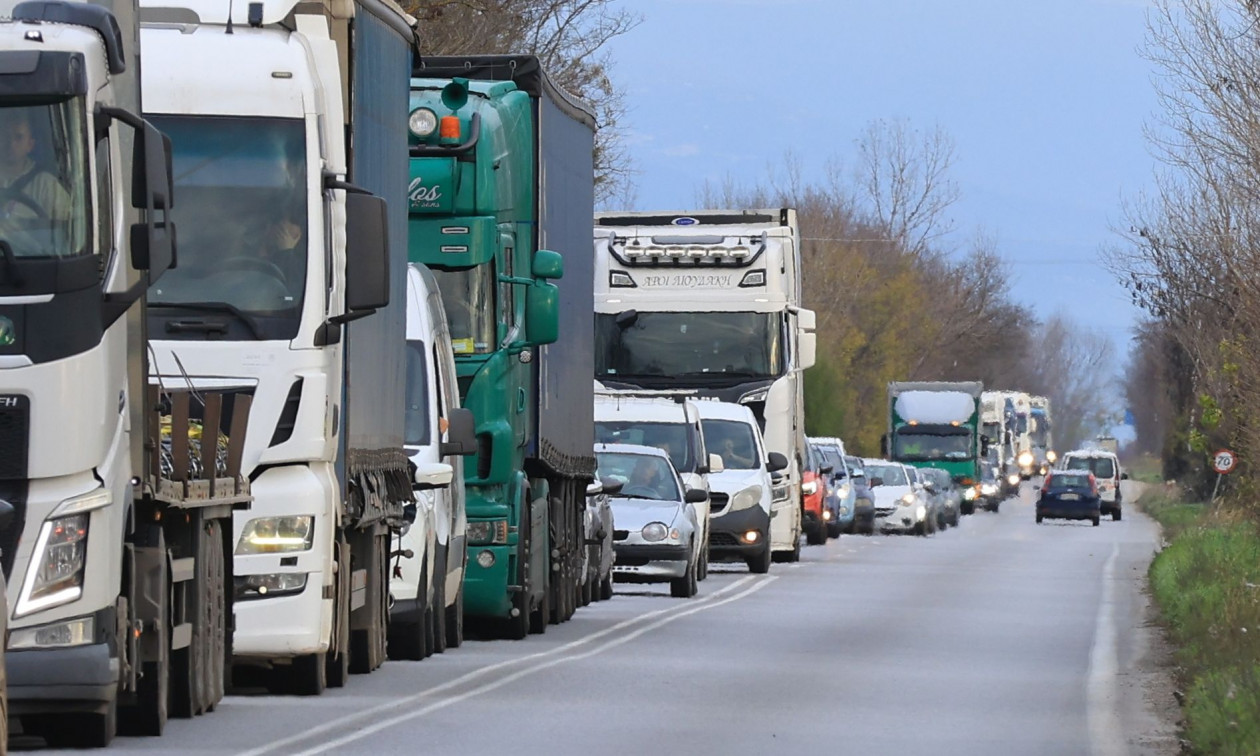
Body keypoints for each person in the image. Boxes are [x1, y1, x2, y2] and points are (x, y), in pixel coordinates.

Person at [0, 109, 71, 223]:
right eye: (6, 136)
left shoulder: (46, 186)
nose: (11, 143)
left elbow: (68, 228)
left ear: (30, 145)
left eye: (18, 137)